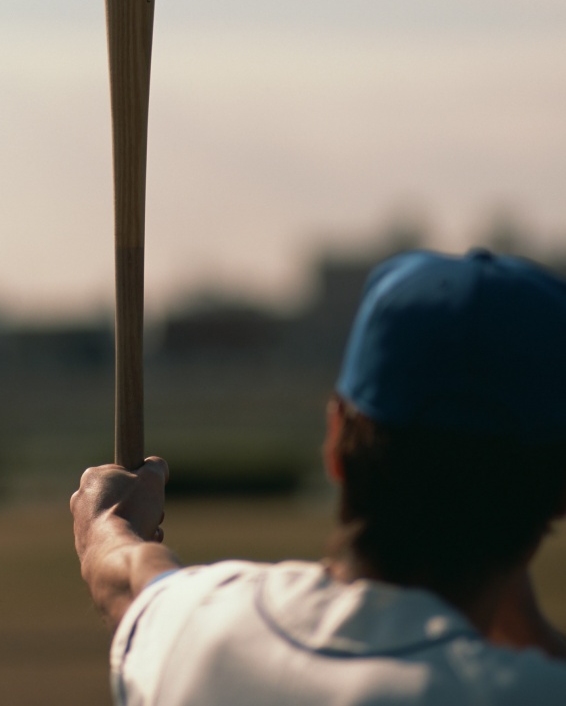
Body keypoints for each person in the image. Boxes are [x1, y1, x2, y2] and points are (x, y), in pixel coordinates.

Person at [71, 248, 566, 704]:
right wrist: (533, 633)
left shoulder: (197, 633)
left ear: (335, 442)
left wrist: (108, 522)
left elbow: (127, 576)